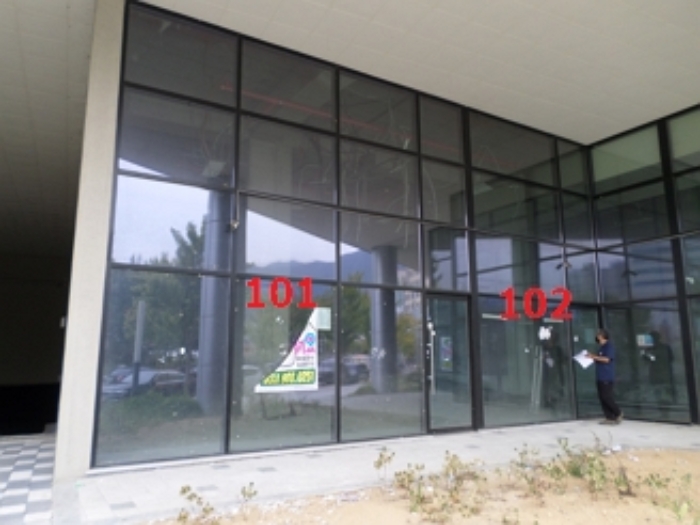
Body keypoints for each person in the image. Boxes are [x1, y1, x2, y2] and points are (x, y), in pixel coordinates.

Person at [587, 328, 623, 425]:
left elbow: (607, 359)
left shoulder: (609, 347)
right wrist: (591, 357)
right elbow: (599, 358)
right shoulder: (601, 347)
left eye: (598, 335)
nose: (596, 337)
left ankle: (618, 412)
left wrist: (594, 357)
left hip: (607, 376)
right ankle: (609, 417)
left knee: (606, 397)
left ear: (602, 336)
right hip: (600, 375)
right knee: (602, 397)